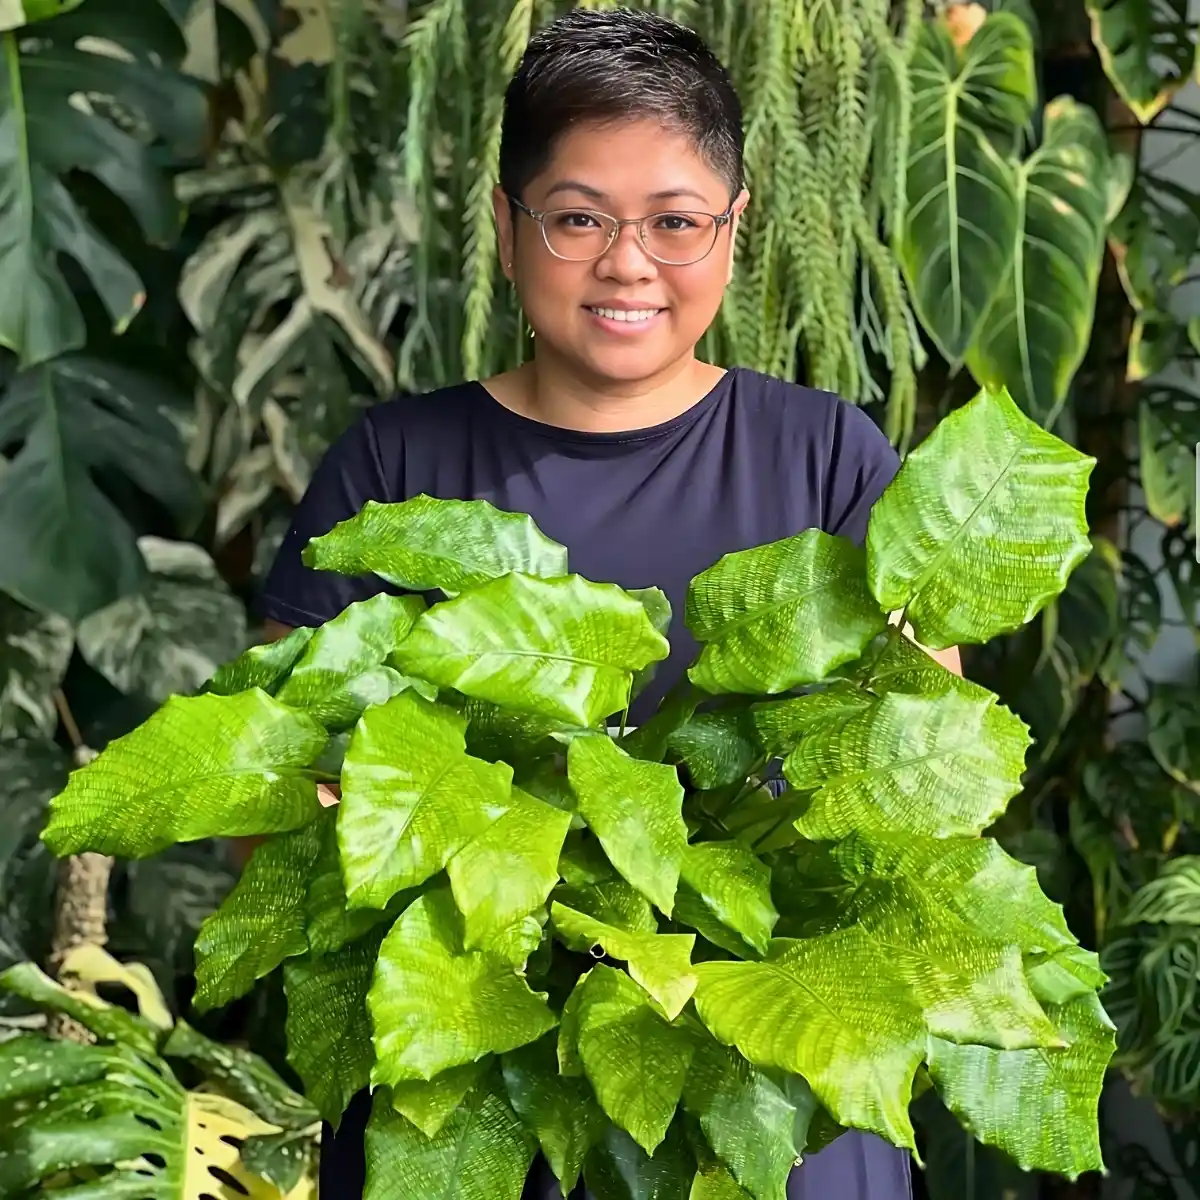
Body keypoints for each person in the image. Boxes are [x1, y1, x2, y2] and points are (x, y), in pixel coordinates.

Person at [256, 8, 960, 1199]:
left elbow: (930, 783)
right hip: (467, 1101)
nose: (629, 264)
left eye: (676, 222)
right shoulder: (395, 467)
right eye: (579, 218)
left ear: (735, 228)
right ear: (506, 226)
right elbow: (281, 796)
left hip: (773, 1095)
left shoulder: (828, 460)